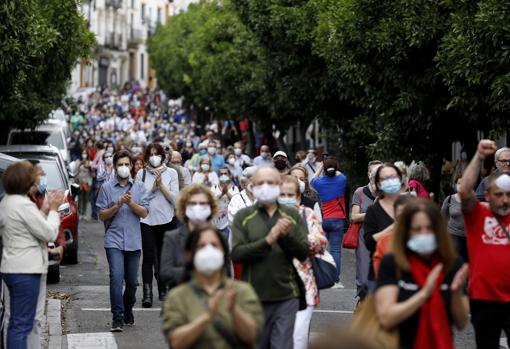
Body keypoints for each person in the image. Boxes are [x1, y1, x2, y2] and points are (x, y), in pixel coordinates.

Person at [375, 199, 469, 349]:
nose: (424, 233)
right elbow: (387, 318)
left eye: (430, 228)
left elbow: (462, 322)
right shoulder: (392, 263)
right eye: (417, 229)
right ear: (406, 232)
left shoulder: (452, 264)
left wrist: (456, 292)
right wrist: (424, 294)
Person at [231, 166, 309, 349]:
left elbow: (303, 253)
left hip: (287, 295)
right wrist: (268, 240)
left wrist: (287, 236)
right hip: (253, 297)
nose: (265, 187)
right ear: (252, 186)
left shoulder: (291, 214)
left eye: (270, 183)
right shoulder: (244, 216)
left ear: (278, 185)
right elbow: (237, 254)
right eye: (260, 183)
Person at [162, 224, 263, 349]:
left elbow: (252, 335)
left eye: (214, 245)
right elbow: (176, 342)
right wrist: (207, 317)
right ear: (189, 254)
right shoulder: (177, 296)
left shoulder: (241, 291)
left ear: (224, 252)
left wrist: (234, 310)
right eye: (201, 246)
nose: (208, 251)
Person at [0, 161, 63, 348]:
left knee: (17, 323)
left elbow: (25, 234)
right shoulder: (23, 205)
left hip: (12, 267)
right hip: (26, 270)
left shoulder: (6, 202)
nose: (36, 181)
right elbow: (49, 233)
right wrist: (53, 211)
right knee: (22, 324)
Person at [458, 139, 510, 349]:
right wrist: (479, 156)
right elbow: (464, 191)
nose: (505, 200)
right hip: (484, 298)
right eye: (499, 195)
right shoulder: (478, 214)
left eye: (508, 195)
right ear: (487, 196)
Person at [96, 150, 150, 332]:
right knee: (116, 278)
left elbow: (144, 212)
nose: (124, 168)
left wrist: (130, 203)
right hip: (114, 240)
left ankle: (128, 310)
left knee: (133, 283)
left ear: (132, 167)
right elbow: (102, 215)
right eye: (121, 164)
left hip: (134, 241)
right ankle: (117, 317)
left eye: (127, 164)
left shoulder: (140, 187)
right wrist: (117, 204)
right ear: (115, 166)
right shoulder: (106, 187)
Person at [278, 175, 328, 349]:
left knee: (298, 337)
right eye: (281, 194)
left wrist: (295, 237)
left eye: (290, 194)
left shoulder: (307, 214)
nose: (285, 198)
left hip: (303, 284)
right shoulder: (266, 216)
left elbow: (321, 242)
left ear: (298, 196)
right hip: (271, 285)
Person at [136, 143, 179, 307]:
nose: (154, 157)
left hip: (167, 219)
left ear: (162, 156)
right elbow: (139, 200)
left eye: (157, 154)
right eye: (151, 154)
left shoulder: (172, 173)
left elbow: (175, 200)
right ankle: (147, 293)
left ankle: (163, 288)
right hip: (147, 220)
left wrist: (162, 186)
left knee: (163, 256)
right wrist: (153, 188)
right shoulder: (141, 174)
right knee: (147, 256)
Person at [159, 184, 219, 291]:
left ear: (211, 207)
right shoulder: (172, 237)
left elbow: (226, 273)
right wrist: (195, 271)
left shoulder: (218, 238)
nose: (197, 207)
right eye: (192, 204)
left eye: (203, 204)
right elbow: (165, 273)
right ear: (184, 207)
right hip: (180, 300)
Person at [363, 163, 403, 291]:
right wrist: (393, 228)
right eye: (385, 178)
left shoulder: (410, 207)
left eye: (394, 177)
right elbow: (369, 242)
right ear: (379, 184)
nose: (390, 181)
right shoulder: (373, 211)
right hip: (379, 274)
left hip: (407, 273)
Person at [311, 156, 347, 288]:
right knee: (336, 250)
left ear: (324, 170)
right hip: (338, 219)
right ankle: (335, 279)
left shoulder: (319, 183)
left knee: (322, 249)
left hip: (324, 218)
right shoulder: (341, 180)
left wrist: (321, 166)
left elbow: (312, 179)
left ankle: (321, 276)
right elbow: (339, 173)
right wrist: (332, 166)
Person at [350, 160, 382, 300]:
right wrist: (373, 211)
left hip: (383, 237)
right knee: (363, 277)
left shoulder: (387, 193)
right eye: (373, 172)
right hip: (364, 237)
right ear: (369, 174)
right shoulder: (360, 192)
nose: (375, 175)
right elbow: (354, 217)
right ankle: (363, 300)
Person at [372, 194, 416, 277]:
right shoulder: (384, 243)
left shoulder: (431, 242)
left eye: (409, 215)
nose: (405, 220)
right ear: (394, 217)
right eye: (400, 217)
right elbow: (382, 279)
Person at [441, 174, 468, 262]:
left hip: (469, 236)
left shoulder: (473, 200)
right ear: (455, 184)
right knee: (456, 260)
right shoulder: (449, 199)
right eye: (459, 183)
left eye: (463, 183)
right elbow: (442, 217)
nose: (461, 186)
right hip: (454, 234)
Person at [211, 168, 239, 243]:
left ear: (229, 175)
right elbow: (212, 201)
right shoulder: (213, 187)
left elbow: (236, 201)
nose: (223, 175)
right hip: (215, 221)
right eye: (221, 174)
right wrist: (222, 194)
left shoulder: (234, 188)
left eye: (225, 174)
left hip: (228, 222)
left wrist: (226, 192)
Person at [77, 150, 94, 219]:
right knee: (80, 198)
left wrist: (89, 167)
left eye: (85, 153)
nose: (84, 154)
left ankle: (84, 213)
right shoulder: (78, 161)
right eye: (83, 153)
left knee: (85, 199)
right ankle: (80, 213)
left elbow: (92, 173)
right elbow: (75, 171)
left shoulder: (90, 163)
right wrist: (80, 164)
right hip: (80, 183)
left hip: (87, 183)